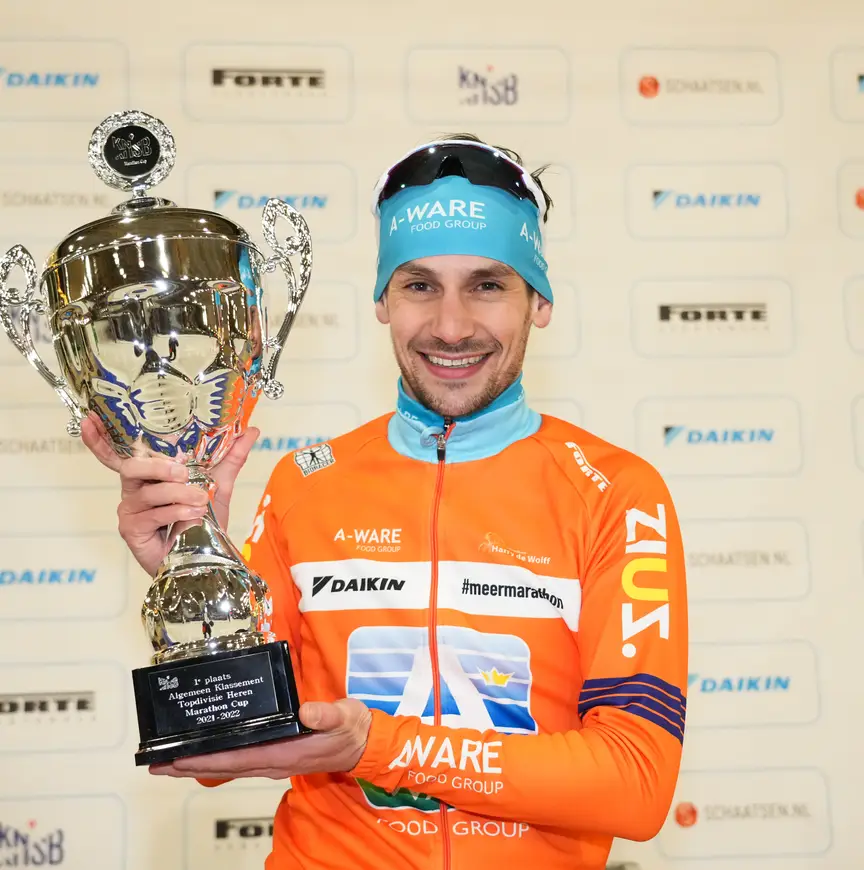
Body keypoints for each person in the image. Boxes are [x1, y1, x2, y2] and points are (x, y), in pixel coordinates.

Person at [81, 136, 688, 870]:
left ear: (540, 301)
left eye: (488, 285)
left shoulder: (616, 493)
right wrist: (192, 571)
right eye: (420, 285)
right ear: (382, 301)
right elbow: (215, 753)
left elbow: (635, 784)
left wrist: (378, 747)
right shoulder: (306, 483)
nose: (452, 326)